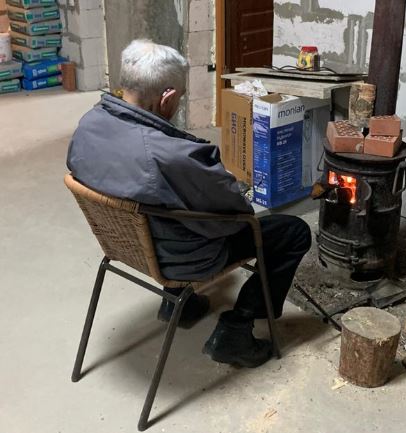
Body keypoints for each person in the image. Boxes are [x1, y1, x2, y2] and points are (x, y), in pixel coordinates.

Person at [67, 39, 311, 368]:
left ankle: (178, 303)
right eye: (180, 97)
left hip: (126, 245)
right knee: (292, 231)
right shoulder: (171, 156)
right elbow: (235, 214)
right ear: (167, 97)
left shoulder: (88, 124)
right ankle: (236, 330)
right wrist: (228, 184)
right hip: (181, 259)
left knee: (162, 207)